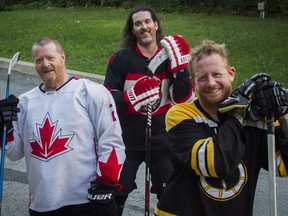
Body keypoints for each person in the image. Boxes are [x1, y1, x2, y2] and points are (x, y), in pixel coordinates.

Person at [154, 40, 288, 216]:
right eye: (202, 78)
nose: (211, 83)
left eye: (217, 74)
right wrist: (238, 113)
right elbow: (217, 164)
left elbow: (283, 167)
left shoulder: (254, 117)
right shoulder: (180, 114)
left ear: (231, 74)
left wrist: (281, 114)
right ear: (193, 83)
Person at [0, 37, 126, 216]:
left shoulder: (90, 92)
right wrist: (5, 129)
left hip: (84, 199)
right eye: (39, 60)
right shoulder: (25, 102)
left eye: (50, 58)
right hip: (41, 203)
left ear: (63, 57)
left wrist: (106, 184)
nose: (45, 64)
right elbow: (14, 153)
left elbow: (111, 140)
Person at [103, 4, 195, 215]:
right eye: (137, 24)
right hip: (127, 138)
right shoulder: (121, 58)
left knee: (172, 190)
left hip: (162, 137)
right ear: (132, 29)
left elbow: (182, 99)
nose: (143, 27)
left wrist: (181, 70)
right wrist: (130, 97)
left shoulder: (170, 56)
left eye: (147, 22)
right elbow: (106, 96)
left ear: (155, 25)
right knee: (118, 190)